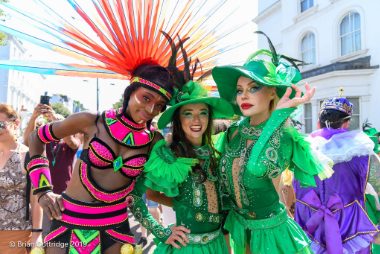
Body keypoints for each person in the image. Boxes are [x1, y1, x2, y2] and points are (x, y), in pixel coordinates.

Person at [211, 31, 333, 254]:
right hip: (240, 230)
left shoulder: (285, 136)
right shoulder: (233, 133)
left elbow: (256, 167)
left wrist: (277, 117)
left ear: (271, 93)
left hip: (271, 236)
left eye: (254, 88)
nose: (243, 96)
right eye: (240, 91)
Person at [141, 47, 235, 252]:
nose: (196, 120)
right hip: (186, 247)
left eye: (202, 113)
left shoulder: (217, 153)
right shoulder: (168, 155)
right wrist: (176, 208)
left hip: (217, 244)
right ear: (178, 119)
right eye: (188, 113)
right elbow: (146, 193)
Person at [293, 97, 380, 254]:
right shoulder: (361, 150)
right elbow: (379, 184)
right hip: (350, 226)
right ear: (346, 123)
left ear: (319, 122)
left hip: (309, 225)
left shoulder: (300, 150)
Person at [0, 104, 43, 254]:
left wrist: (37, 233)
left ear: (16, 123)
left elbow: (36, 199)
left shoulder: (29, 156)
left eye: (1, 124)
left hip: (16, 232)